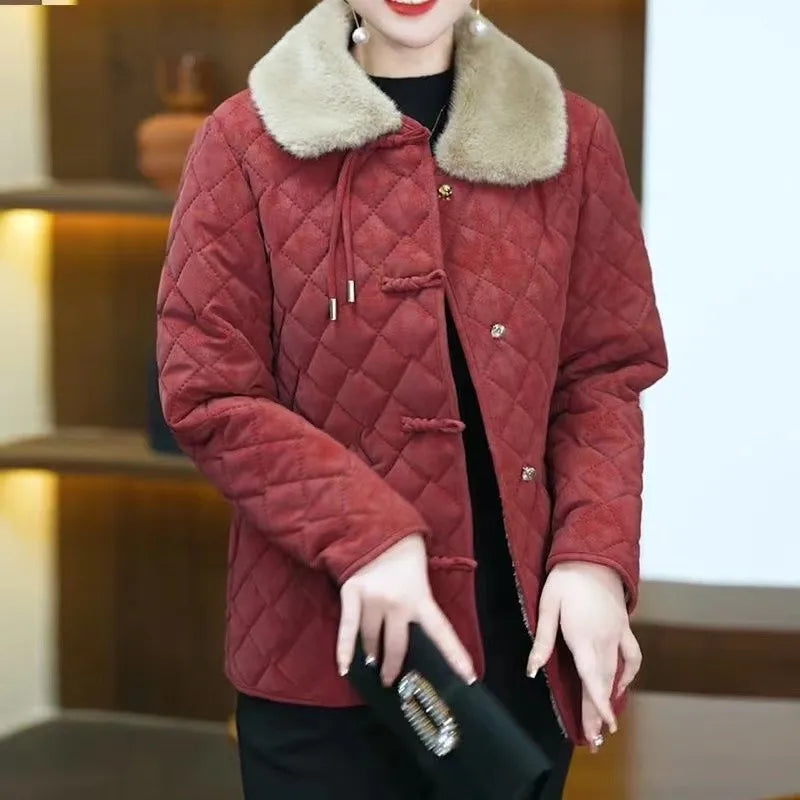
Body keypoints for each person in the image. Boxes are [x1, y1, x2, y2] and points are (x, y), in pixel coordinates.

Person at [156, 0, 668, 797]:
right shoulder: (243, 141)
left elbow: (604, 375)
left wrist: (594, 559)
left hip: (517, 653)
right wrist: (369, 535)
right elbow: (209, 390)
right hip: (319, 659)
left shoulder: (572, 138)